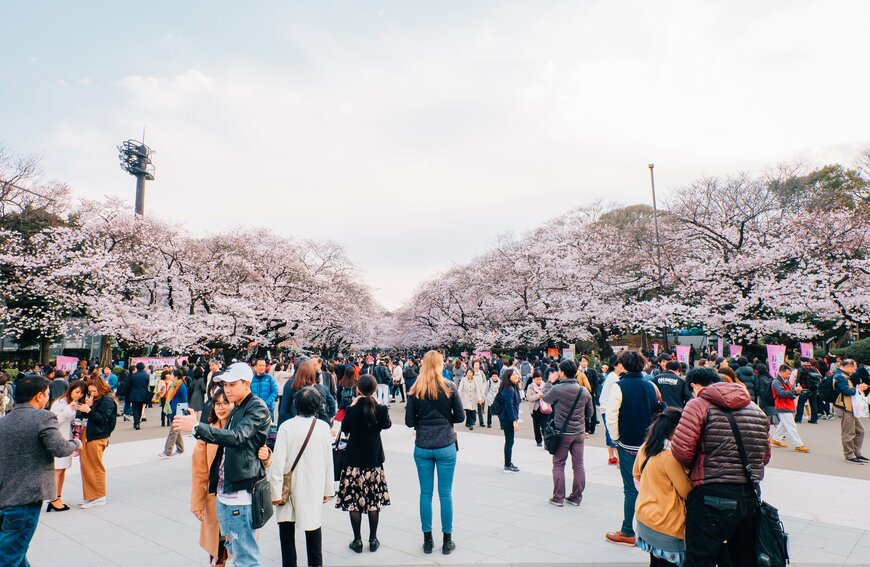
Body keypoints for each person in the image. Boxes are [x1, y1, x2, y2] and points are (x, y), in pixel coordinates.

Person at [173, 362, 272, 567]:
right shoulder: (238, 408)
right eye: (225, 385)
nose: (227, 389)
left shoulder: (256, 407)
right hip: (224, 494)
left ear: (246, 383)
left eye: (232, 384)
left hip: (241, 494)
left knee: (245, 558)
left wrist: (197, 428)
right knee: (232, 552)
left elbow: (238, 437)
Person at [671, 367, 771, 566]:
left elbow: (682, 450)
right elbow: (765, 456)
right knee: (742, 557)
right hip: (749, 494)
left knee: (701, 556)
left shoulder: (698, 405)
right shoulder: (755, 409)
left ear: (694, 386)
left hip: (711, 493)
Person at [0, 374, 81, 566]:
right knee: (9, 557)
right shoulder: (43, 417)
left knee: (15, 551)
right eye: (46, 394)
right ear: (38, 396)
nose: (47, 398)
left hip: (4, 496)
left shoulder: (4, 420)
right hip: (26, 498)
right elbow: (60, 448)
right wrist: (76, 443)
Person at [405, 350, 464, 555]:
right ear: (440, 365)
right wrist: (445, 418)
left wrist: (423, 420)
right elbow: (460, 417)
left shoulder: (415, 390)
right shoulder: (450, 387)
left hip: (422, 445)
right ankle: (447, 539)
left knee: (425, 494)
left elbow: (409, 421)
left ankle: (428, 539)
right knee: (446, 493)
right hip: (446, 443)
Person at [270, 387, 333, 567]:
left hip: (287, 488)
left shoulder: (286, 427)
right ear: (317, 406)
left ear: (296, 404)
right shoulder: (323, 427)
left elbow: (278, 464)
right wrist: (327, 490)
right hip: (313, 486)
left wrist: (275, 492)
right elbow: (329, 462)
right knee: (313, 529)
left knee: (286, 532)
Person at [605, 350, 660, 546]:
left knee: (631, 489)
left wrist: (616, 440)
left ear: (624, 366)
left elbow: (611, 417)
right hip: (649, 443)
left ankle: (628, 530)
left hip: (628, 444)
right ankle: (652, 529)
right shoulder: (650, 385)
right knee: (651, 487)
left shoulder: (619, 386)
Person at [336, 375, 392, 553]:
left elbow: (344, 429)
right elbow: (387, 425)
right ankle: (373, 539)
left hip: (354, 461)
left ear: (358, 389)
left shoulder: (352, 410)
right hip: (373, 461)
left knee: (354, 501)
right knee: (373, 500)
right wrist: (378, 403)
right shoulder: (381, 409)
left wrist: (352, 405)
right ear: (375, 389)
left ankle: (357, 540)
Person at [633, 408, 691, 567]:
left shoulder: (645, 447)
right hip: (666, 524)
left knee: (655, 562)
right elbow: (686, 492)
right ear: (675, 430)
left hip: (645, 517)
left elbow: (636, 474)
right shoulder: (670, 457)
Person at [543, 360, 594, 507]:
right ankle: (576, 498)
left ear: (563, 373)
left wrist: (549, 381)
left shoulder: (558, 389)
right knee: (578, 465)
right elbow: (589, 413)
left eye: (559, 370)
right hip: (579, 433)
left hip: (563, 433)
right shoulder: (583, 391)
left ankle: (558, 498)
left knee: (558, 464)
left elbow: (546, 398)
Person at [77, 377, 118, 509]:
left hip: (98, 436)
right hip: (89, 435)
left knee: (95, 466)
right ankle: (91, 496)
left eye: (94, 391)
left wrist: (89, 410)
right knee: (86, 466)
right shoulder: (96, 400)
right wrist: (87, 408)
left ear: (101, 388)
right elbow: (89, 417)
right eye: (90, 391)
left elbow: (102, 419)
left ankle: (100, 496)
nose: (92, 393)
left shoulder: (107, 400)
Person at [48, 379, 88, 512]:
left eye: (81, 394)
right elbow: (54, 421)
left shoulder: (73, 403)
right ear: (71, 390)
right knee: (58, 469)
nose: (78, 395)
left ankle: (58, 497)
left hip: (67, 439)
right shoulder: (59, 403)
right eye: (77, 392)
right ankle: (53, 499)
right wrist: (67, 410)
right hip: (58, 439)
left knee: (63, 469)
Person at [832, 359, 869, 464]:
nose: (855, 369)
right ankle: (849, 455)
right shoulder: (839, 376)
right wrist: (859, 389)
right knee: (848, 432)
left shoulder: (842, 375)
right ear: (848, 366)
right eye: (854, 367)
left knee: (860, 430)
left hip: (849, 407)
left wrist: (857, 389)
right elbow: (847, 391)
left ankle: (856, 452)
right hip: (844, 407)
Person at [278, 361, 336, 427]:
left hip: (296, 424)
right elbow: (332, 403)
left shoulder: (292, 387)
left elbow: (285, 408)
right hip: (315, 424)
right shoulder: (319, 389)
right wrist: (330, 417)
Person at [770, 364, 809, 453]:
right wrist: (794, 391)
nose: (789, 375)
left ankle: (776, 439)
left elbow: (788, 392)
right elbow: (781, 393)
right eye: (787, 374)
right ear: (781, 372)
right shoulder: (776, 382)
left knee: (783, 425)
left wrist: (796, 392)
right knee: (792, 426)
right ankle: (798, 444)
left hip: (787, 405)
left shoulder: (784, 381)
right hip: (782, 406)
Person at [159, 369, 190, 458]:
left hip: (178, 412)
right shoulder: (174, 385)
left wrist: (183, 414)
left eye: (172, 375)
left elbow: (184, 401)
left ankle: (167, 452)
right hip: (172, 410)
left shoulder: (181, 386)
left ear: (176, 377)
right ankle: (180, 449)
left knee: (173, 432)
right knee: (176, 431)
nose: (170, 376)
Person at [498, 368, 522, 474]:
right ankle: (507, 465)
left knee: (509, 441)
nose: (516, 375)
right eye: (513, 375)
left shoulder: (513, 386)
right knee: (509, 441)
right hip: (507, 418)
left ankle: (508, 463)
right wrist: (514, 421)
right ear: (508, 377)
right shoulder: (508, 389)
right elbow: (509, 406)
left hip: (509, 417)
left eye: (516, 374)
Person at [600, 362, 622, 465]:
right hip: (608, 407)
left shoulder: (611, 376)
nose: (622, 367)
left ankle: (611, 457)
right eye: (621, 365)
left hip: (605, 407)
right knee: (612, 431)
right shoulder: (614, 377)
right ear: (615, 365)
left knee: (608, 432)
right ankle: (617, 458)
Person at [526, 370, 548, 446]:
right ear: (533, 379)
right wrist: (537, 396)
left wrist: (543, 395)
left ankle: (546, 441)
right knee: (536, 425)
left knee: (545, 425)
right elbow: (528, 397)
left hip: (544, 408)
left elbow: (549, 395)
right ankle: (538, 440)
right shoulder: (530, 386)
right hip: (535, 409)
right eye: (537, 379)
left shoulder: (545, 385)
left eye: (540, 379)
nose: (538, 381)